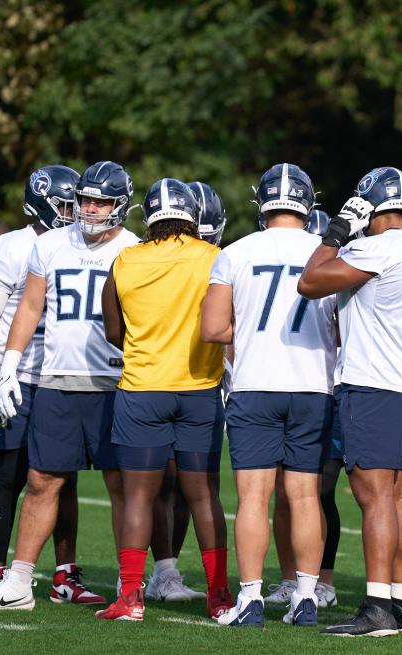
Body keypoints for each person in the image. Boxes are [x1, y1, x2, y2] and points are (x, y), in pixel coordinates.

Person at [0, 160, 139, 612]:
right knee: (42, 480)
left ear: (120, 205)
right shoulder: (49, 244)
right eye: (85, 199)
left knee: (120, 484)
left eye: (101, 201)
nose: (90, 208)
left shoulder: (135, 249)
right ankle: (18, 583)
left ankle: (129, 586)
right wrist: (8, 365)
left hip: (114, 380)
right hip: (56, 379)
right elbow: (28, 308)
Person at [298, 166, 402, 637]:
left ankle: (378, 604)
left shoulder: (374, 247)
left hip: (374, 383)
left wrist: (337, 231)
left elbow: (310, 280)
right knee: (400, 491)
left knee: (373, 493)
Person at [201, 163, 338, 628]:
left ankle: (252, 599)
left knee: (254, 499)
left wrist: (257, 328)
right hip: (312, 385)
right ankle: (305, 597)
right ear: (308, 203)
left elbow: (214, 327)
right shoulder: (329, 253)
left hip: (255, 384)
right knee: (304, 497)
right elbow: (342, 327)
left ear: (261, 203)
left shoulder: (236, 252)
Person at [95, 178, 232, 621]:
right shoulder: (214, 257)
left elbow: (114, 332)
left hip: (141, 389)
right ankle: (218, 597)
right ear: (194, 214)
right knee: (203, 495)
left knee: (138, 497)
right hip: (200, 391)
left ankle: (131, 598)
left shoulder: (125, 260)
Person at [143, 180, 229, 603]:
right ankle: (168, 572)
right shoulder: (207, 255)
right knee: (170, 482)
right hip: (180, 380)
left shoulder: (216, 256)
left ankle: (175, 576)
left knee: (193, 483)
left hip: (195, 378)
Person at [265, 207, 343, 611]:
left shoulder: (336, 270)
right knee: (288, 493)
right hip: (300, 386)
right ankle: (289, 578)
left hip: (320, 388)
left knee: (318, 492)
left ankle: (321, 580)